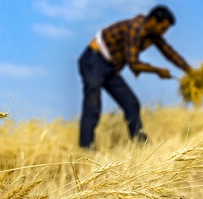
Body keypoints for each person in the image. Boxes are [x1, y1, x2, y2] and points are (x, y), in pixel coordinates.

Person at [78, 5, 192, 149]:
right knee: (93, 103)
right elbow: (134, 64)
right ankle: (86, 148)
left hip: (111, 68)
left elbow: (169, 53)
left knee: (131, 104)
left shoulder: (153, 34)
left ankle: (141, 147)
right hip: (94, 60)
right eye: (163, 29)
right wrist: (158, 71)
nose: (163, 33)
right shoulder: (135, 28)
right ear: (152, 21)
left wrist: (191, 72)